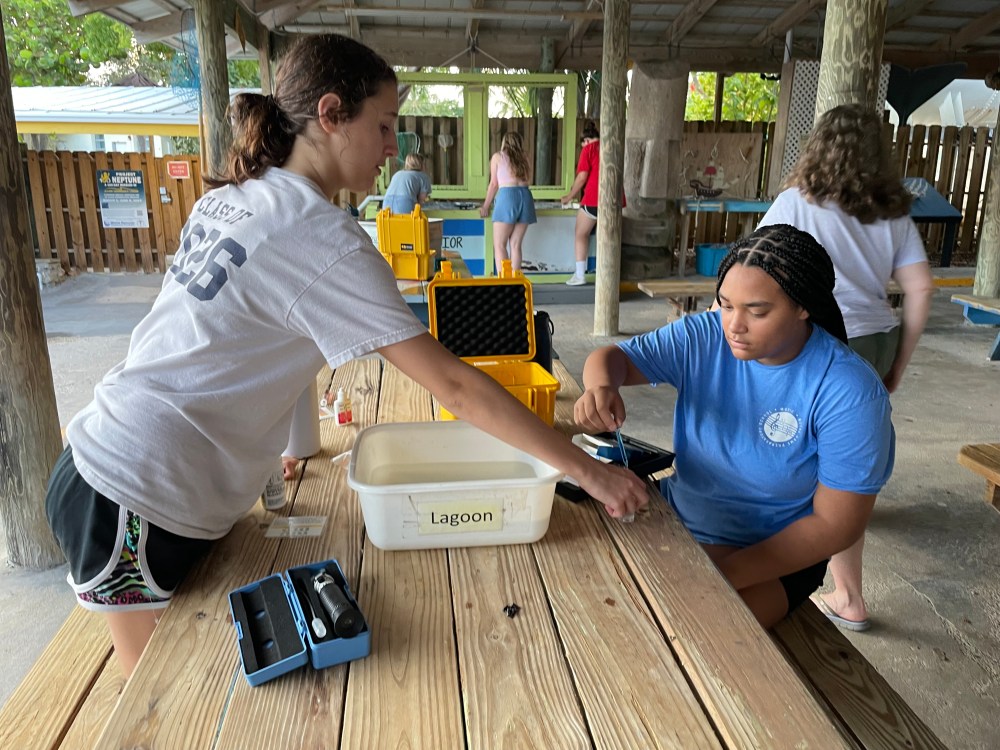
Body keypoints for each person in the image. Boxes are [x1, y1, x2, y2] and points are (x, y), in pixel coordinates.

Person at [44, 34, 648, 679]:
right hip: (133, 495)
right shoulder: (320, 233)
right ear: (331, 115)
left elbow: (249, 341)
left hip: (116, 459)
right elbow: (456, 388)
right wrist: (588, 473)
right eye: (383, 125)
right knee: (158, 699)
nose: (392, 146)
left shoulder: (235, 195)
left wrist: (274, 457)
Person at [574, 224, 895, 629]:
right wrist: (601, 387)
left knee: (688, 632)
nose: (733, 325)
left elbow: (836, 526)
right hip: (680, 517)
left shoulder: (848, 391)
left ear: (803, 307)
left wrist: (712, 575)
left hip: (776, 555)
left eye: (756, 312)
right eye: (725, 305)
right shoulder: (705, 337)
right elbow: (613, 358)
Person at [758, 103, 935, 632]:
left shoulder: (795, 203)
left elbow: (757, 262)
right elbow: (921, 289)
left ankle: (848, 594)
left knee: (817, 464)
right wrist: (899, 360)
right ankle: (844, 554)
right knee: (854, 455)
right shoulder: (892, 212)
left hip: (817, 339)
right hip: (875, 338)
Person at [479, 132, 535, 273]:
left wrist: (485, 206)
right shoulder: (525, 157)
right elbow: (529, 179)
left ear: (504, 142)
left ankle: (504, 280)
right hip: (526, 197)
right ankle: (515, 280)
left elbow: (494, 184)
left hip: (508, 196)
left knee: (500, 245)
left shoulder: (498, 157)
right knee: (515, 245)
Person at [559, 121, 600, 285]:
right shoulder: (611, 147)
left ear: (586, 141)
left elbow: (582, 177)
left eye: (583, 143)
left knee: (581, 234)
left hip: (594, 198)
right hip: (615, 200)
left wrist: (569, 196)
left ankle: (580, 275)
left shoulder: (589, 149)